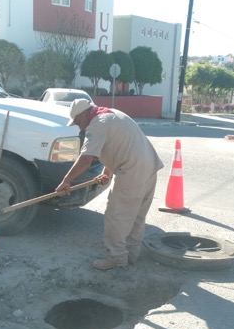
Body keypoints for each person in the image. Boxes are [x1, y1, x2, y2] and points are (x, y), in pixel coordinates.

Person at [56, 99, 164, 270]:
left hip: (132, 171)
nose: (80, 127)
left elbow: (85, 159)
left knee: (116, 215)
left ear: (85, 113)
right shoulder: (113, 114)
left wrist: (66, 181)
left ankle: (116, 257)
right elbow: (117, 146)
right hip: (150, 166)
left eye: (78, 122)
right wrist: (107, 172)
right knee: (136, 216)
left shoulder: (97, 123)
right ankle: (131, 254)